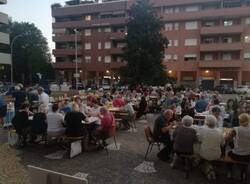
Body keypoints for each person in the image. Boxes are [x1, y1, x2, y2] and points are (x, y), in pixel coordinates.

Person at [198, 115, 225, 180]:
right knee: (210, 153)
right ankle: (210, 168)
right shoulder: (220, 131)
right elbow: (223, 143)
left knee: (203, 151)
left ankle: (208, 169)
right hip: (217, 154)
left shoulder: (202, 130)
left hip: (204, 153)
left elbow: (199, 140)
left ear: (206, 122)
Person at [225, 113, 250, 179]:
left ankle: (230, 171)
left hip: (237, 155)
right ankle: (244, 170)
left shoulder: (236, 129)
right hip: (248, 155)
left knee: (228, 152)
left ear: (239, 121)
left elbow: (226, 139)